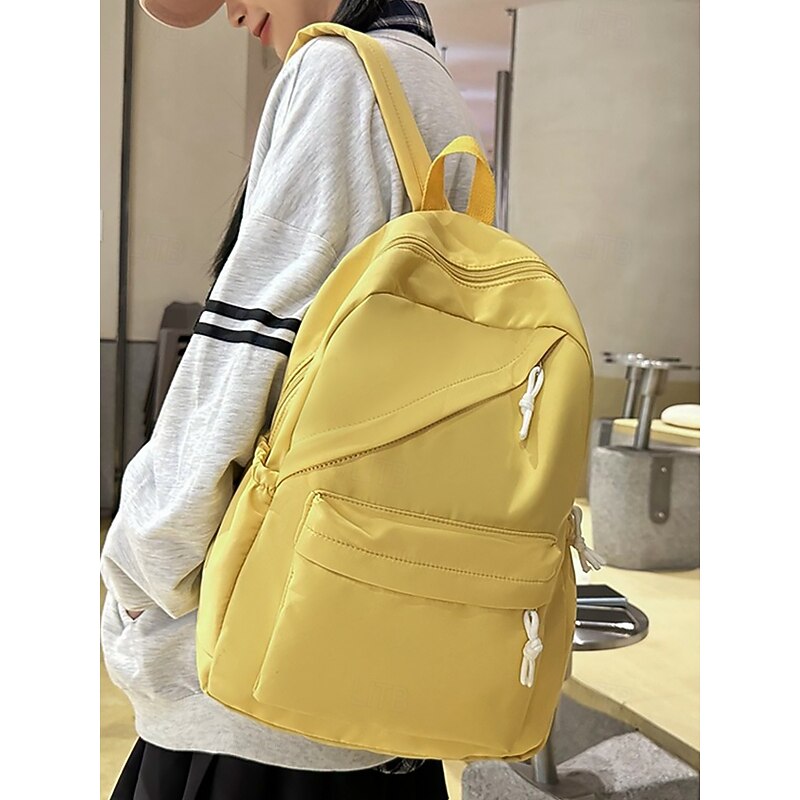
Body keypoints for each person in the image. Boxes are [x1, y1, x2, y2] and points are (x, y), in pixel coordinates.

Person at [101, 1, 482, 797]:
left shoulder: (338, 71)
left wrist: (139, 564)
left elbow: (247, 361)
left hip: (255, 678)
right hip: (370, 658)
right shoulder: (426, 79)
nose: (231, 12)